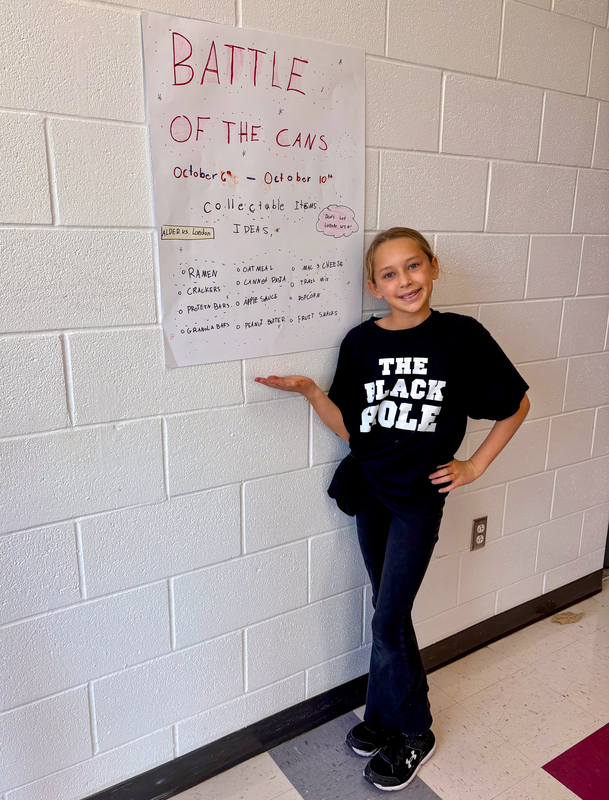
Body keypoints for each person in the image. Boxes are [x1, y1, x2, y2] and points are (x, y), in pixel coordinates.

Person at [254, 227, 530, 792]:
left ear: (433, 267)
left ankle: (414, 732)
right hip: (371, 489)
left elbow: (516, 405)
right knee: (387, 609)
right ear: (373, 285)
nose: (404, 281)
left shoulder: (461, 337)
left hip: (417, 502)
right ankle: (383, 718)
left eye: (413, 267)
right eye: (389, 273)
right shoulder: (360, 343)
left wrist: (473, 466)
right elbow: (355, 430)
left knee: (387, 619)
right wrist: (312, 393)